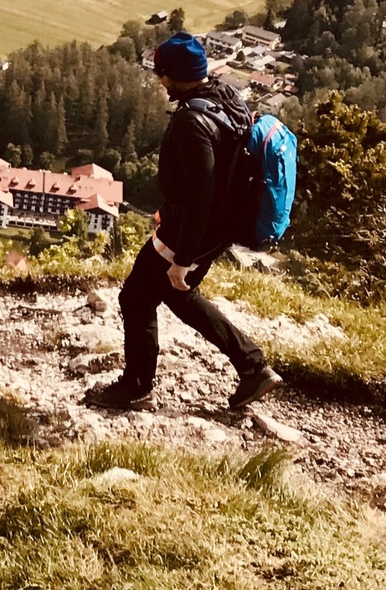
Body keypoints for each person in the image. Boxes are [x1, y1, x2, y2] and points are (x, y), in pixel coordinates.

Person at [86, 31, 283, 415]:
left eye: (162, 74)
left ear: (175, 76)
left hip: (195, 228)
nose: (160, 81)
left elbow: (201, 195)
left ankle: (137, 387)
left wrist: (183, 257)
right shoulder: (226, 96)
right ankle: (253, 366)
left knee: (137, 296)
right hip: (216, 223)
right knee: (177, 294)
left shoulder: (193, 121)